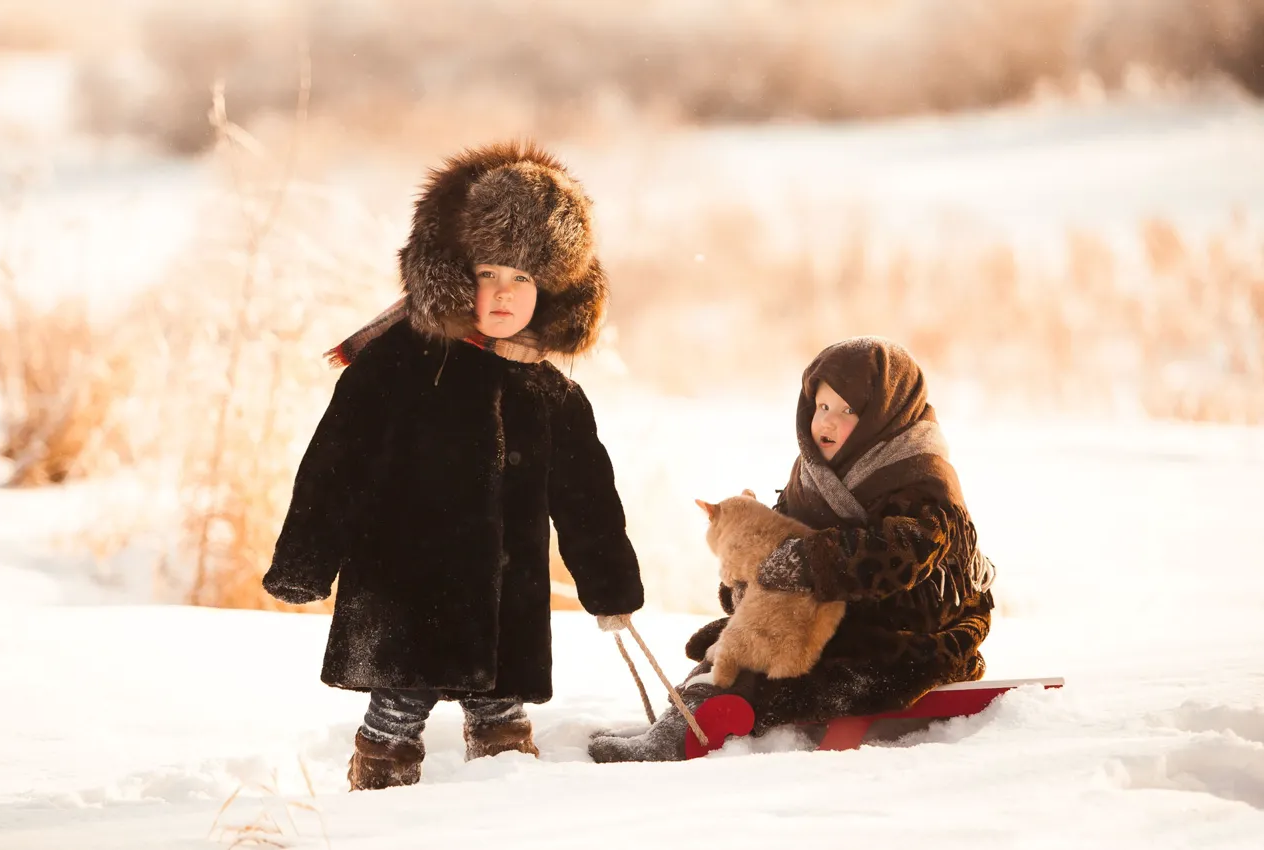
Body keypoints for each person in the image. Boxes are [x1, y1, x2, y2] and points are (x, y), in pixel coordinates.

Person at [263, 142, 644, 789]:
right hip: (403, 583)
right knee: (399, 701)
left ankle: (501, 794)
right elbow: (336, 463)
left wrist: (609, 587)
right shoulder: (400, 365)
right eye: (488, 272)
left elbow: (586, 497)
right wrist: (306, 561)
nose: (502, 293)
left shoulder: (550, 391)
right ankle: (379, 784)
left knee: (500, 705)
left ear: (551, 289)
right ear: (452, 271)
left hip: (504, 595)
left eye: (522, 278)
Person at [589, 336, 994, 762]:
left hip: (915, 622)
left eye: (848, 410)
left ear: (884, 413)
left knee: (812, 665)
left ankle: (699, 728)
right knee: (737, 639)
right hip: (838, 610)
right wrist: (751, 578)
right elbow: (780, 539)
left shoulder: (922, 476)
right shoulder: (813, 473)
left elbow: (902, 554)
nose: (828, 423)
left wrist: (809, 561)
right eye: (822, 407)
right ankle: (684, 716)